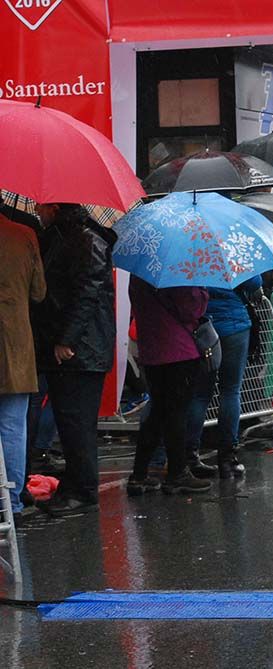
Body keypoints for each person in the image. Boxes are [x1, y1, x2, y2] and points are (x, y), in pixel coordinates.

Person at [31, 203, 117, 517]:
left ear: (56, 207)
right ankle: (76, 485)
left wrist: (67, 340)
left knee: (76, 423)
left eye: (43, 206)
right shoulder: (65, 238)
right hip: (73, 348)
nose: (39, 210)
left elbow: (85, 295)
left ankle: (82, 490)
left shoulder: (87, 241)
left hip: (80, 351)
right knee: (70, 424)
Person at [127, 277, 213, 496]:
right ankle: (177, 473)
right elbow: (191, 309)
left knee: (157, 412)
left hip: (151, 349)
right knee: (176, 413)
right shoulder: (178, 274)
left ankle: (139, 474)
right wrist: (202, 291)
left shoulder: (139, 273)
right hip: (178, 349)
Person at [184, 276, 263, 480]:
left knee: (200, 394)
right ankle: (227, 460)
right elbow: (255, 282)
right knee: (231, 390)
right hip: (235, 325)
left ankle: (190, 457)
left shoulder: (193, 250)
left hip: (203, 326)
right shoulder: (234, 247)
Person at [0, 214, 46, 522]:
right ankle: (11, 502)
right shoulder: (24, 234)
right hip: (14, 342)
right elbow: (38, 292)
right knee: (13, 426)